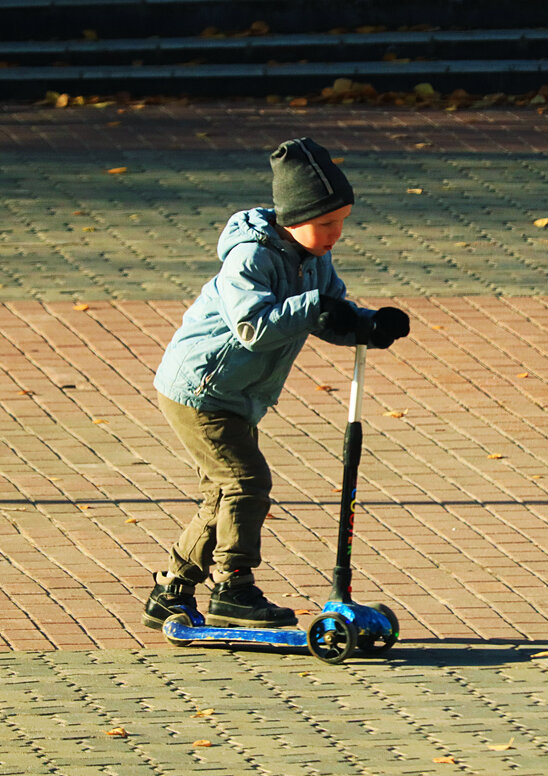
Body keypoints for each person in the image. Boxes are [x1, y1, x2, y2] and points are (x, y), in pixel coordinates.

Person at [143, 137, 410, 631]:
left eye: (343, 222)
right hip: (203, 388)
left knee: (224, 493)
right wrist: (314, 307)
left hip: (236, 393)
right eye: (327, 223)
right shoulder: (251, 258)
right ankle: (233, 587)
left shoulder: (313, 258)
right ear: (294, 219)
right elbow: (254, 327)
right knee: (246, 483)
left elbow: (330, 312)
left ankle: (172, 590)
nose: (337, 234)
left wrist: (368, 326)